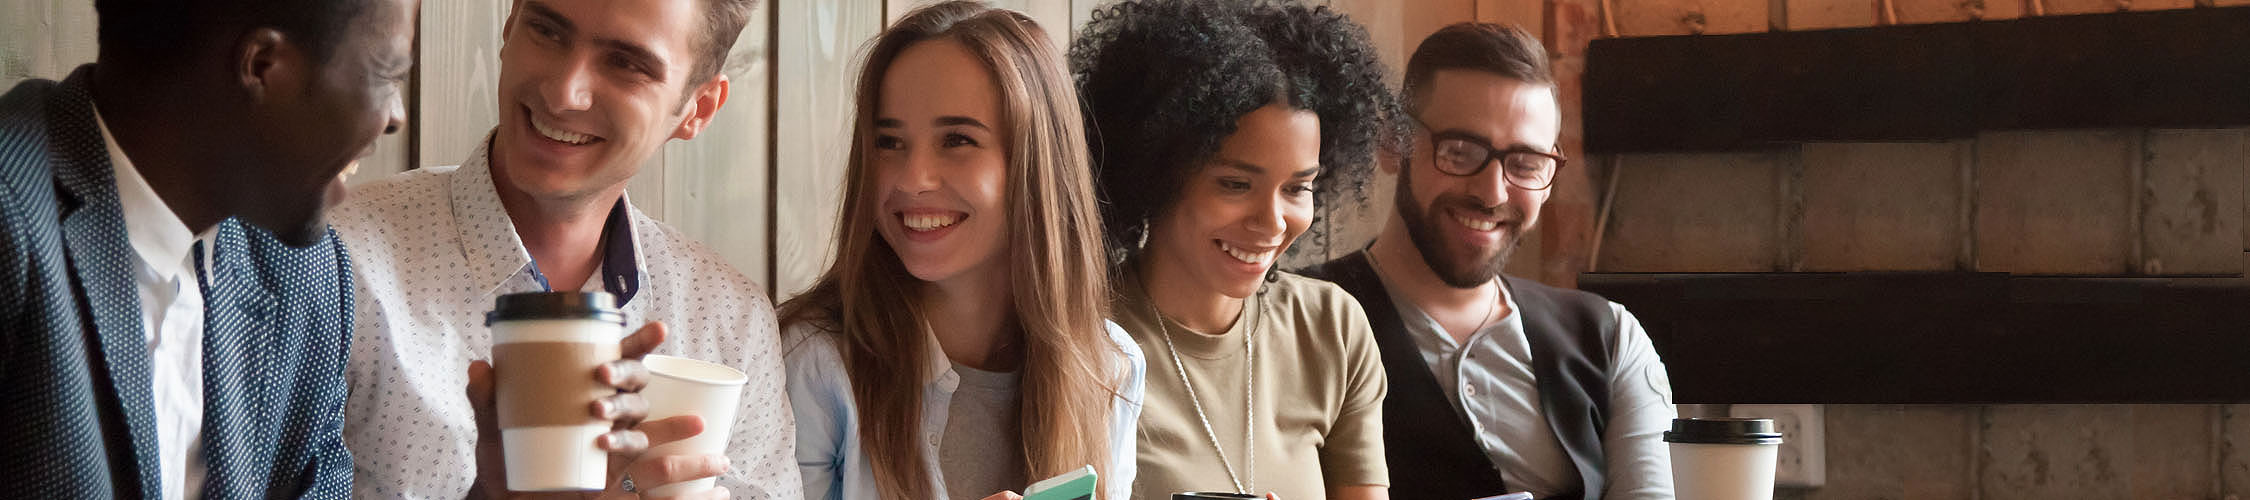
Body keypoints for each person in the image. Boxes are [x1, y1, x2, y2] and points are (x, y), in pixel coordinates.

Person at [327, 0, 800, 498]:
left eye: (626, 63)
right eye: (547, 31)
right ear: (510, 27)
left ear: (697, 108)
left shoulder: (732, 321)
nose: (563, 92)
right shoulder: (337, 258)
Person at [0, 0, 415, 497]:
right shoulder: (12, 219)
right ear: (262, 65)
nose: (396, 117)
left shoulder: (308, 275)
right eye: (386, 75)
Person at [779, 2, 1145, 500]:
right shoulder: (812, 361)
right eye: (889, 142)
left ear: (1036, 164)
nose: (912, 178)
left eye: (956, 139)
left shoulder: (1111, 366)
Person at [1302, 23, 1677, 500]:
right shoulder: (1296, 319)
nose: (1492, 192)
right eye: (1460, 152)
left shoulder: (1610, 338)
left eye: (1525, 163)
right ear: (1393, 144)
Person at [1069, 1, 1404, 498]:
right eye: (1234, 184)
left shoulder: (1332, 329)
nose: (1272, 222)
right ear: (1155, 171)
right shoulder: (1076, 337)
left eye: (1297, 188)